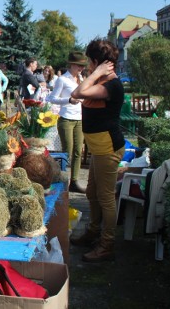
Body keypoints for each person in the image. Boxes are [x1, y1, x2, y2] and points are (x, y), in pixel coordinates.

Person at [70, 38, 125, 263]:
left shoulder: (110, 84)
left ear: (95, 62)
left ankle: (106, 244)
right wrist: (96, 72)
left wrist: (96, 72)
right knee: (92, 193)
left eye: (90, 63)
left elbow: (78, 92)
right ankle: (93, 232)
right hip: (98, 148)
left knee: (105, 198)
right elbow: (78, 95)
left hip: (108, 148)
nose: (88, 67)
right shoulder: (101, 80)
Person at [48, 52, 87, 193]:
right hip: (66, 118)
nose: (81, 68)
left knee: (78, 151)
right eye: (79, 66)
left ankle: (74, 181)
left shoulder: (81, 79)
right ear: (71, 65)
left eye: (83, 66)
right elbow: (51, 98)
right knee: (67, 151)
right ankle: (62, 180)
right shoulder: (62, 80)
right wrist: (68, 100)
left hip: (80, 118)